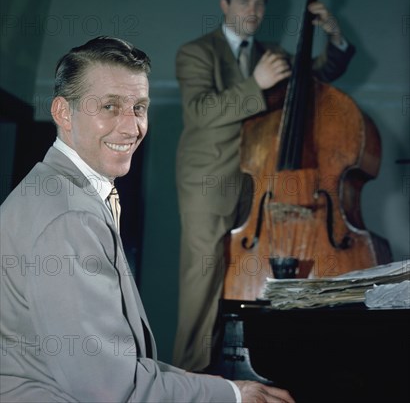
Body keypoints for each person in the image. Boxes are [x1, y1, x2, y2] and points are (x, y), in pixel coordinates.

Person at [0, 36, 295, 403]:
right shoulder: (70, 218)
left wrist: (217, 384)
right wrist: (233, 395)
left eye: (139, 108)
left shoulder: (51, 188)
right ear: (63, 112)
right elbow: (112, 391)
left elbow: (116, 367)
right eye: (110, 106)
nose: (131, 127)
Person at [173, 0, 356, 372]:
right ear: (224, 4)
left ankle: (239, 374)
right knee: (201, 284)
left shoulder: (271, 55)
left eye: (260, 3)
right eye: (243, 1)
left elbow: (318, 75)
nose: (253, 11)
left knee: (246, 280)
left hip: (258, 185)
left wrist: (334, 36)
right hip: (208, 183)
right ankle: (190, 377)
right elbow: (201, 113)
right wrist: (255, 84)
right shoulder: (196, 52)